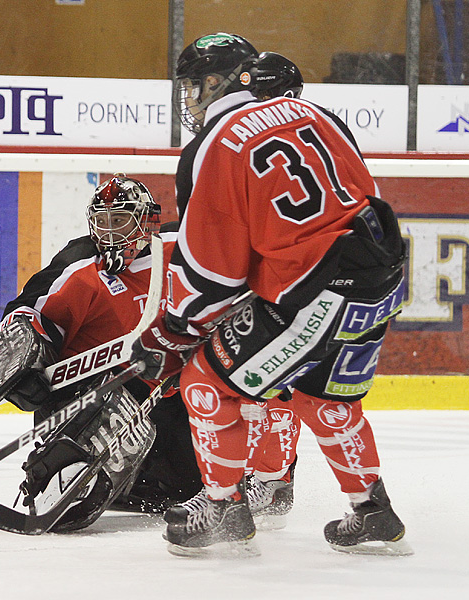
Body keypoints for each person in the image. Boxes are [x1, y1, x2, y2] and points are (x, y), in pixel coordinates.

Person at [131, 33, 412, 557]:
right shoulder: (319, 115)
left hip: (314, 289)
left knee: (204, 383)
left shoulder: (215, 143)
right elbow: (355, 196)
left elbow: (212, 268)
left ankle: (222, 507)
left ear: (218, 82)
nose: (190, 98)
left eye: (194, 85)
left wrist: (175, 330)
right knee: (320, 396)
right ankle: (373, 511)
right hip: (381, 274)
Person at [0, 174, 203, 533]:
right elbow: (24, 314)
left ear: (145, 221)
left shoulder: (183, 248)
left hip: (162, 388)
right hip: (88, 389)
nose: (109, 232)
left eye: (119, 220)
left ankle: (133, 481)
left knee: (186, 489)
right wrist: (24, 368)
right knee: (101, 409)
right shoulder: (81, 261)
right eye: (101, 221)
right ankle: (65, 472)